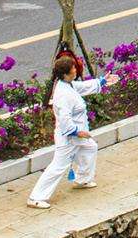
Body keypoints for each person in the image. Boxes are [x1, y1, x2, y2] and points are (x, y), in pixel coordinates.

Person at [28, 49, 109, 205]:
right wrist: (78, 132)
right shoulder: (63, 95)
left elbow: (82, 87)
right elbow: (65, 119)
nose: (76, 70)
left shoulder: (67, 85)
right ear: (66, 74)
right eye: (73, 69)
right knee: (59, 166)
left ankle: (82, 180)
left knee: (91, 148)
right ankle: (36, 198)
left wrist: (101, 82)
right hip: (70, 137)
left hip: (77, 134)